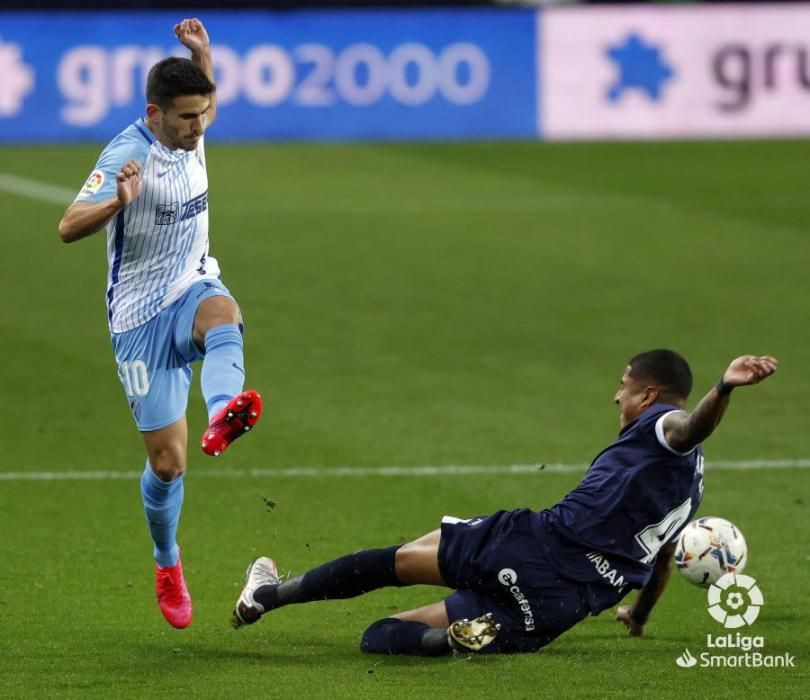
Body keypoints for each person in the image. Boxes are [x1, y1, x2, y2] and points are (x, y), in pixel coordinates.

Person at [230, 351, 777, 654]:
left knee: (396, 563)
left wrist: (723, 389)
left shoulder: (662, 428)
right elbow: (660, 559)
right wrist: (638, 615)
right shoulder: (690, 488)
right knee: (385, 635)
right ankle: (447, 642)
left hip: (535, 545)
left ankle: (265, 597)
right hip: (563, 606)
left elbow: (690, 427)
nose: (616, 395)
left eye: (623, 385)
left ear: (648, 395)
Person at [58, 18, 263, 630]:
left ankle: (226, 410)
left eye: (203, 113)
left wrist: (203, 54)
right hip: (138, 319)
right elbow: (67, 225)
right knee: (169, 464)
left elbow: (209, 104)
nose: (200, 127)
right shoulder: (127, 153)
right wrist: (116, 204)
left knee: (224, 313)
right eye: (187, 118)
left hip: (192, 285)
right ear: (155, 113)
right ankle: (167, 561)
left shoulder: (192, 127)